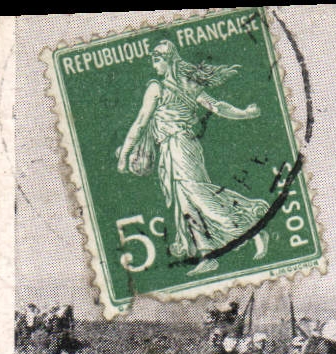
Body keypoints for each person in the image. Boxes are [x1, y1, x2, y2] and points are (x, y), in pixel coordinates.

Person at [114, 40, 269, 275]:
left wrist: (125, 155)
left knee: (199, 195)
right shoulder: (188, 85)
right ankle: (207, 254)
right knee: (187, 203)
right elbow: (217, 106)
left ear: (169, 61)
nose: (154, 64)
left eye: (157, 59)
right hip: (172, 148)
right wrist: (245, 113)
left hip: (180, 145)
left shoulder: (157, 88)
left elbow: (140, 122)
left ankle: (252, 227)